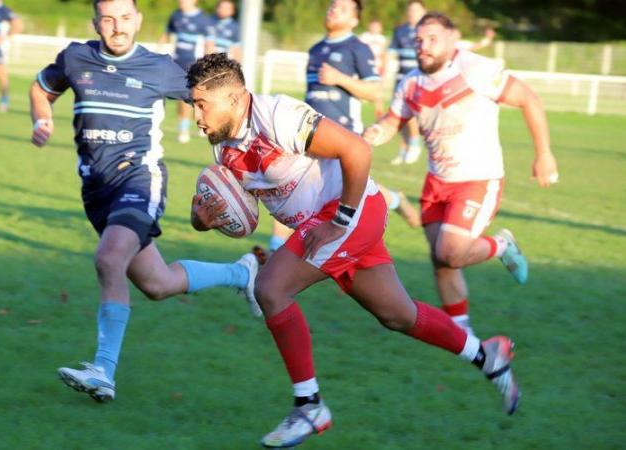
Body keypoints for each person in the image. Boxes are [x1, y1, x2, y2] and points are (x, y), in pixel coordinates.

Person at [188, 52, 521, 449]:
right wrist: (204, 221)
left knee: (271, 289)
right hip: (323, 229)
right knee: (398, 315)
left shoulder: (278, 115)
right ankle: (487, 356)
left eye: (201, 104)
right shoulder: (224, 148)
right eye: (194, 104)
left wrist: (339, 220)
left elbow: (357, 151)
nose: (196, 116)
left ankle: (309, 405)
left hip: (350, 213)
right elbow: (249, 221)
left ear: (236, 98)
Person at [28, 0, 260, 403]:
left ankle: (103, 369)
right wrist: (41, 117)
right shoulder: (76, 58)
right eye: (108, 19)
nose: (117, 26)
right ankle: (244, 274)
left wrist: (243, 156)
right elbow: (40, 87)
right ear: (96, 22)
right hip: (96, 192)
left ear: (138, 20)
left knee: (109, 257)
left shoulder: (160, 68)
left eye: (124, 18)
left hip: (140, 180)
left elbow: (216, 101)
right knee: (157, 283)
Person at [363, 13, 559, 335]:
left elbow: (529, 99)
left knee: (451, 253)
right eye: (419, 40)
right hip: (436, 181)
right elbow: (391, 123)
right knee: (441, 260)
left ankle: (501, 246)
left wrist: (544, 154)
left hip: (477, 178)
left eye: (432, 39)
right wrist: (370, 135)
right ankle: (462, 335)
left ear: (453, 39)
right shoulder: (411, 82)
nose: (423, 47)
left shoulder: (475, 70)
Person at [267, 0, 420, 255]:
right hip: (309, 132)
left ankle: (393, 199)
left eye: (342, 8)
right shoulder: (316, 49)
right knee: (286, 178)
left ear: (354, 20)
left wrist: (340, 79)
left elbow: (375, 90)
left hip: (343, 134)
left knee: (351, 191)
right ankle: (275, 248)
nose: (333, 9)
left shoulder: (357, 49)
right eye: (331, 5)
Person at [161, 0, 215, 143]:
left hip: (196, 65)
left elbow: (209, 44)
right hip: (177, 63)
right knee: (182, 97)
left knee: (199, 96)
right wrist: (157, 52)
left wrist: (208, 65)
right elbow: (166, 35)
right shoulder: (176, 16)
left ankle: (204, 122)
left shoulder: (203, 19)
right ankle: (183, 129)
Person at [388, 0, 426, 165]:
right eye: (410, 10)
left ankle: (415, 142)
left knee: (410, 110)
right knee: (399, 115)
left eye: (416, 10)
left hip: (420, 79)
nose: (412, 13)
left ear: (424, 12)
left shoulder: (428, 31)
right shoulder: (400, 31)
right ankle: (404, 149)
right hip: (401, 78)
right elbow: (390, 53)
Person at [359, 19, 389, 118]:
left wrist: (384, 68)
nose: (375, 28)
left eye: (377, 26)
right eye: (373, 25)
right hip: (365, 67)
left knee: (378, 91)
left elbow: (384, 54)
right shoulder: (364, 37)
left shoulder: (382, 39)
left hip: (377, 67)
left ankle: (379, 114)